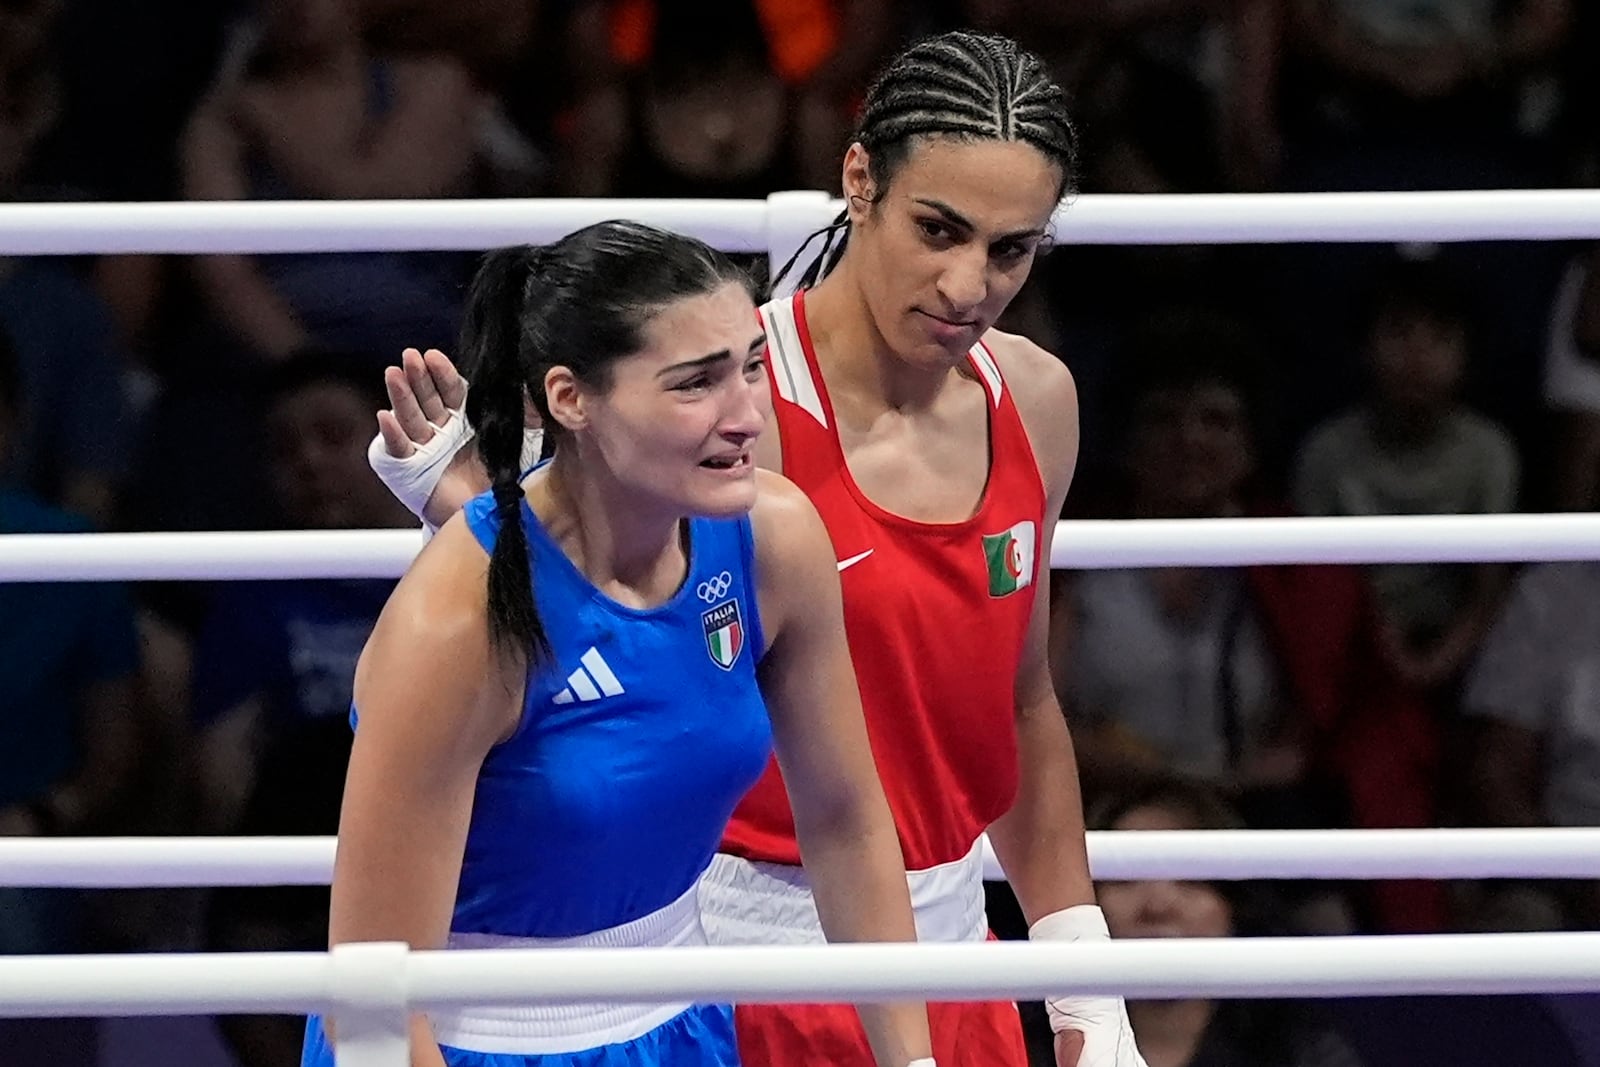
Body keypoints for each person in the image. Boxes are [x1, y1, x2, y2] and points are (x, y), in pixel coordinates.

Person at [368, 31, 1145, 1067]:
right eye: (939, 230)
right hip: (732, 951)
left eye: (1011, 249)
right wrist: (465, 502)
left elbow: (1019, 696)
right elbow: (579, 612)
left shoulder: (1037, 400)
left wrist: (1080, 972)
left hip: (949, 952)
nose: (969, 283)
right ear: (858, 178)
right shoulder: (730, 415)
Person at [303, 221, 936, 1067]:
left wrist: (914, 1060)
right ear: (570, 398)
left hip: (685, 1028)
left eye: (750, 366)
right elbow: (371, 1002)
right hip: (465, 1048)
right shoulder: (457, 621)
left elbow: (847, 819)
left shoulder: (772, 537)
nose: (747, 415)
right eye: (695, 383)